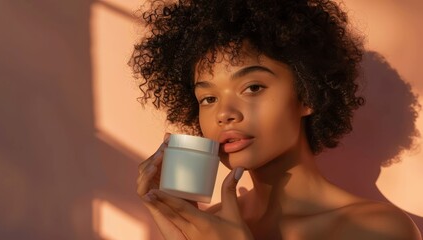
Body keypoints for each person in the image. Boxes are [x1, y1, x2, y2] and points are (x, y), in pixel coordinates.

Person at [132, 0, 422, 239]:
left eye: (253, 87)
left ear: (307, 94)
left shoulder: (377, 230)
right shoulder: (207, 228)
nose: (224, 114)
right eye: (208, 99)